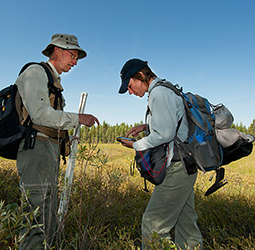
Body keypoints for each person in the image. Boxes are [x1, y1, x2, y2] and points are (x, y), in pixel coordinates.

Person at [15, 33, 99, 249]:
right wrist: (78, 118)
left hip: (47, 149)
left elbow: (49, 122)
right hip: (37, 147)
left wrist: (68, 137)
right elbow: (40, 115)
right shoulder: (35, 72)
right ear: (57, 50)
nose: (75, 62)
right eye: (73, 55)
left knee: (47, 208)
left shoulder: (53, 80)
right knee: (36, 209)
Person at [118, 58, 203, 250]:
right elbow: (175, 126)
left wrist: (135, 145)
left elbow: (164, 134)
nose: (130, 92)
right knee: (186, 224)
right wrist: (146, 126)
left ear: (140, 75)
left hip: (177, 168)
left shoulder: (158, 93)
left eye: (130, 86)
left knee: (152, 225)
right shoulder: (167, 89)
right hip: (186, 166)